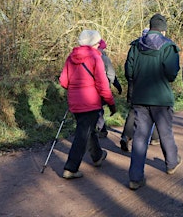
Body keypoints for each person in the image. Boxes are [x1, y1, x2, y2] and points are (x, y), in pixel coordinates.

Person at [125, 13, 182, 190]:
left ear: (150, 27)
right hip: (161, 98)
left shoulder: (136, 45)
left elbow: (129, 72)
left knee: (140, 137)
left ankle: (135, 177)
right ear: (163, 29)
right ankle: (171, 163)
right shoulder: (168, 47)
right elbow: (172, 74)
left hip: (140, 97)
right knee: (165, 132)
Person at [59, 29, 117, 179]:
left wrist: (75, 89)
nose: (99, 46)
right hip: (90, 102)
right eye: (98, 43)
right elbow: (103, 84)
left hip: (74, 102)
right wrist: (111, 103)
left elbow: (63, 81)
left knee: (87, 129)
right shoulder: (95, 58)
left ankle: (97, 156)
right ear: (93, 44)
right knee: (82, 134)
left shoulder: (70, 58)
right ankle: (71, 168)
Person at [120, 28, 160, 152]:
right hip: (150, 85)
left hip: (135, 83)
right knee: (154, 109)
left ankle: (126, 136)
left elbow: (128, 66)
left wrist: (131, 79)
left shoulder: (134, 47)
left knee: (133, 110)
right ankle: (154, 137)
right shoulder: (155, 47)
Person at [96, 39, 122, 138]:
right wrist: (116, 85)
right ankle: (101, 130)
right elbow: (111, 75)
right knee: (99, 109)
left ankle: (97, 129)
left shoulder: (83, 57)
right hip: (101, 87)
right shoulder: (104, 58)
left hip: (85, 90)